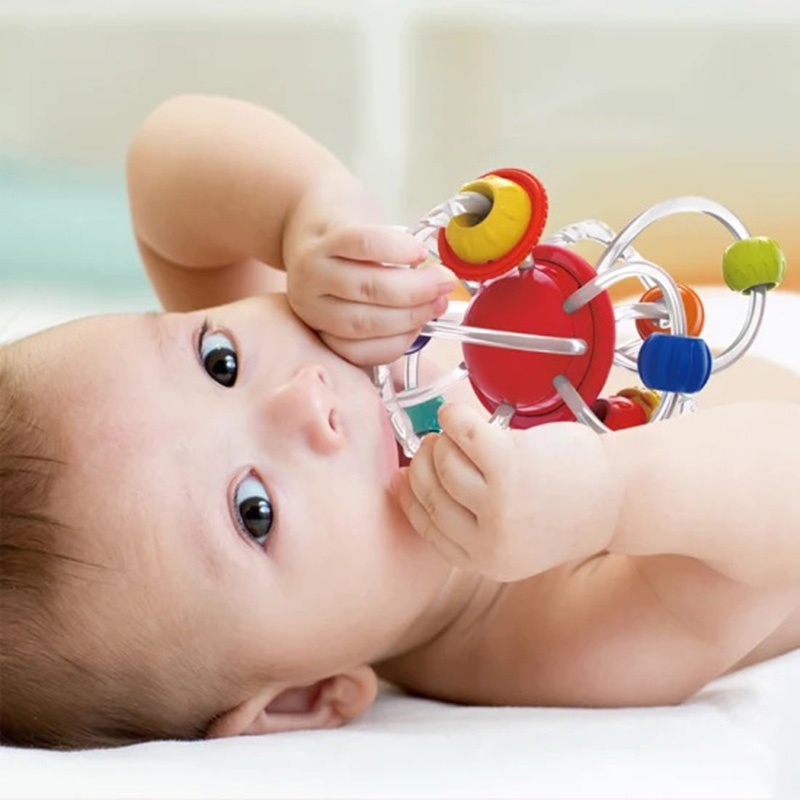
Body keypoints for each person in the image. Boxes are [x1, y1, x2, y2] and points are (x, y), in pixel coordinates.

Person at [1, 94, 799, 750]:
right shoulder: (550, 642)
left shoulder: (304, 354)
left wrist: (309, 214)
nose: (301, 398)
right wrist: (610, 496)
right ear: (308, 695)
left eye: (218, 360)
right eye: (255, 511)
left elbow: (163, 161)